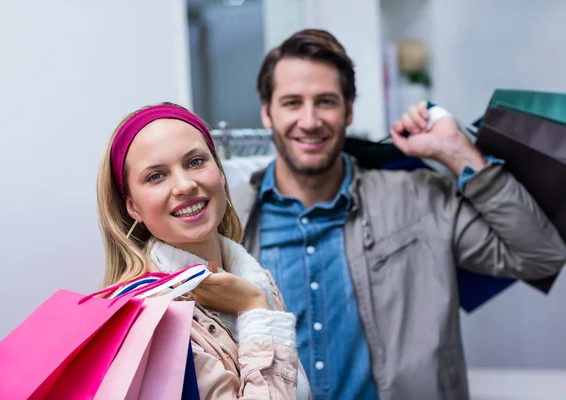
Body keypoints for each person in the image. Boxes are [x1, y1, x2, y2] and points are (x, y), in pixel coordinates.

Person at [230, 29, 566, 400]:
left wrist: (458, 153)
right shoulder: (230, 221)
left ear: (349, 109)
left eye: (325, 101)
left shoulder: (420, 198)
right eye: (292, 102)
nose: (309, 121)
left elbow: (541, 256)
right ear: (266, 112)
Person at [96, 103, 312, 399]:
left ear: (221, 173)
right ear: (133, 206)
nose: (185, 185)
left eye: (195, 162)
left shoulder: (257, 280)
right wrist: (254, 311)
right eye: (156, 176)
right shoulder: (152, 318)